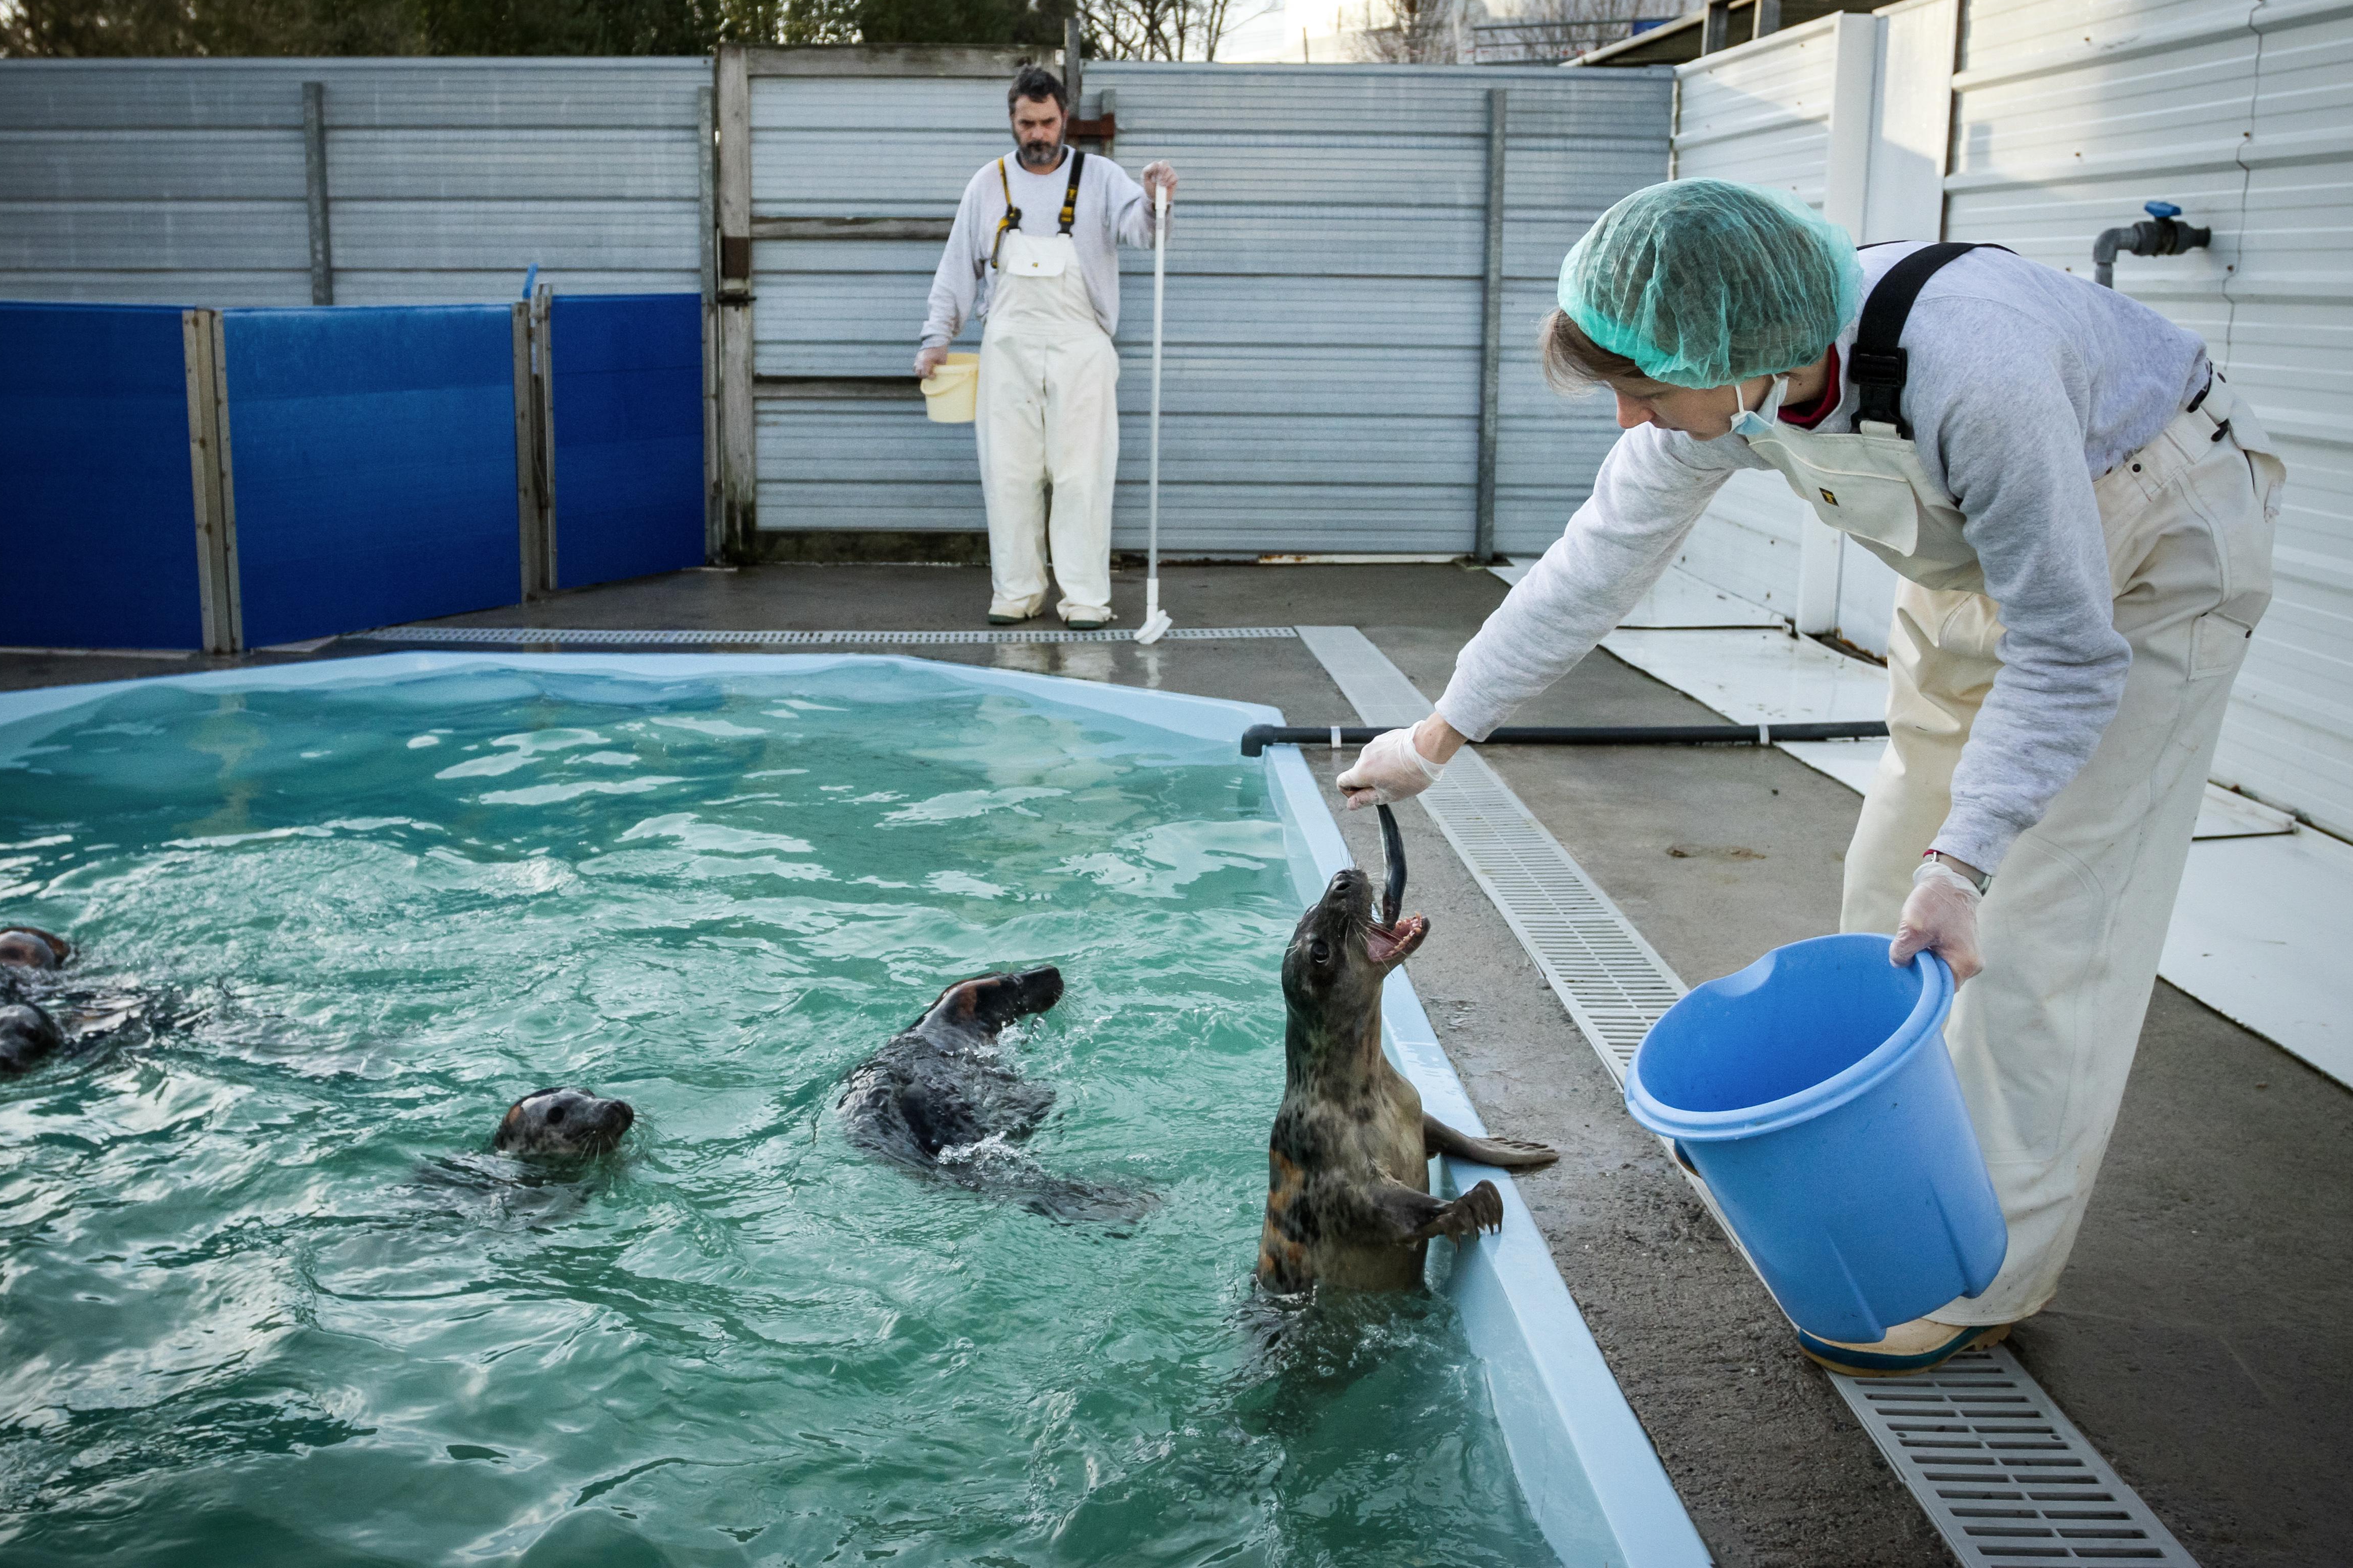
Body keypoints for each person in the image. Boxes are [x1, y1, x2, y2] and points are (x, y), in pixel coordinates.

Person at [1338, 178, 2282, 1376]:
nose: (1625, 415)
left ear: (1732, 357)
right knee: (1890, 867)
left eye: (1640, 387)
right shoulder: (1730, 378)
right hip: (1969, 559)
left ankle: (1981, 1271)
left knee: (2041, 925)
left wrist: (1969, 856)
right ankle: (1865, 1147)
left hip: (2148, 540)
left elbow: (2064, 649)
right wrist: (1433, 739)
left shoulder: (1969, 373)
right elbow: (1590, 567)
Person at [917, 67, 1177, 629]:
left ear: (1066, 118)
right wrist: (937, 338)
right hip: (1007, 348)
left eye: (1048, 122)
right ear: (1012, 120)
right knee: (1009, 474)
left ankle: (1085, 598)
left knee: (1082, 474)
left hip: (1081, 348)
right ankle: (1017, 591)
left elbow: (1143, 230)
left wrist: (1157, 199)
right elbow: (958, 267)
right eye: (1026, 123)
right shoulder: (987, 184)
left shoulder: (1103, 177)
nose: (1037, 134)